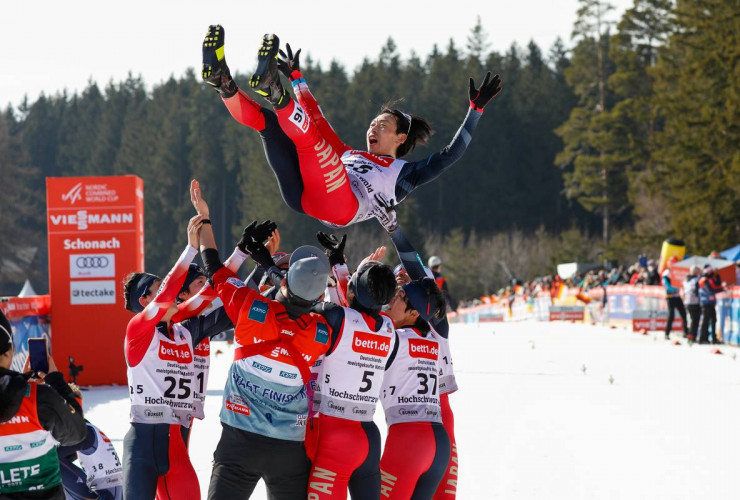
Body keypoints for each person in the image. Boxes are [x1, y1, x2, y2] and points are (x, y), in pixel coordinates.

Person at [201, 25, 502, 228]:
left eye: (382, 124)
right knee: (269, 125)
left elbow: (450, 155)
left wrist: (475, 110)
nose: (373, 128)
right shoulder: (349, 154)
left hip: (340, 207)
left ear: (400, 137)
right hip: (302, 196)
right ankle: (222, 82)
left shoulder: (404, 175)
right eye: (373, 122)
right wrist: (296, 77)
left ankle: (273, 91)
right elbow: (317, 119)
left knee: (314, 144)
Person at [191, 182, 334, 500]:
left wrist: (205, 219)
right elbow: (328, 306)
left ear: (285, 283)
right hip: (288, 450)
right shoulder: (321, 332)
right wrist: (271, 268)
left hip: (238, 443)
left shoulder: (249, 307)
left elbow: (212, 267)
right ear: (320, 294)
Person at [122, 210, 234, 500]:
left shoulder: (182, 329)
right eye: (160, 292)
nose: (171, 295)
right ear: (145, 301)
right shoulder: (138, 330)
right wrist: (190, 249)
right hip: (143, 447)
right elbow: (171, 291)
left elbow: (208, 295)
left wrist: (242, 252)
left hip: (176, 446)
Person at [307, 234, 398, 500]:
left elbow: (297, 298)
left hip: (335, 434)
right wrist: (340, 264)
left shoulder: (338, 317)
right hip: (369, 434)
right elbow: (359, 300)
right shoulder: (389, 327)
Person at [378, 238, 450, 498]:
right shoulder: (435, 335)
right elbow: (429, 294)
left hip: (408, 439)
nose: (390, 301)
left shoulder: (391, 336)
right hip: (439, 442)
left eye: (398, 297)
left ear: (413, 313)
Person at [0, 310, 87, 500]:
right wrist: (56, 382)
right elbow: (77, 432)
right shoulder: (39, 398)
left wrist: (21, 383)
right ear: (9, 352)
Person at [662, 257, 689, 340]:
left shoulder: (678, 272)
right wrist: (677, 287)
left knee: (684, 314)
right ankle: (667, 333)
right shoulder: (666, 273)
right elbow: (668, 287)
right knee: (671, 315)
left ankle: (686, 332)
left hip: (677, 296)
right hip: (670, 297)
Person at [698, 265, 724, 344]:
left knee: (713, 320)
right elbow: (710, 291)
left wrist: (717, 275)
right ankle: (702, 338)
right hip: (706, 302)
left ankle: (713, 338)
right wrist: (721, 289)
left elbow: (717, 283)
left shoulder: (710, 278)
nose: (711, 273)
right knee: (706, 321)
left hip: (711, 302)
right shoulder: (704, 279)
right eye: (710, 271)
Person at [682, 265, 701, 341]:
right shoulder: (696, 280)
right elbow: (697, 292)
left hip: (687, 301)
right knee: (694, 320)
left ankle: (689, 335)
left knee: (691, 319)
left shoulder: (686, 279)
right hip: (694, 302)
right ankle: (692, 336)